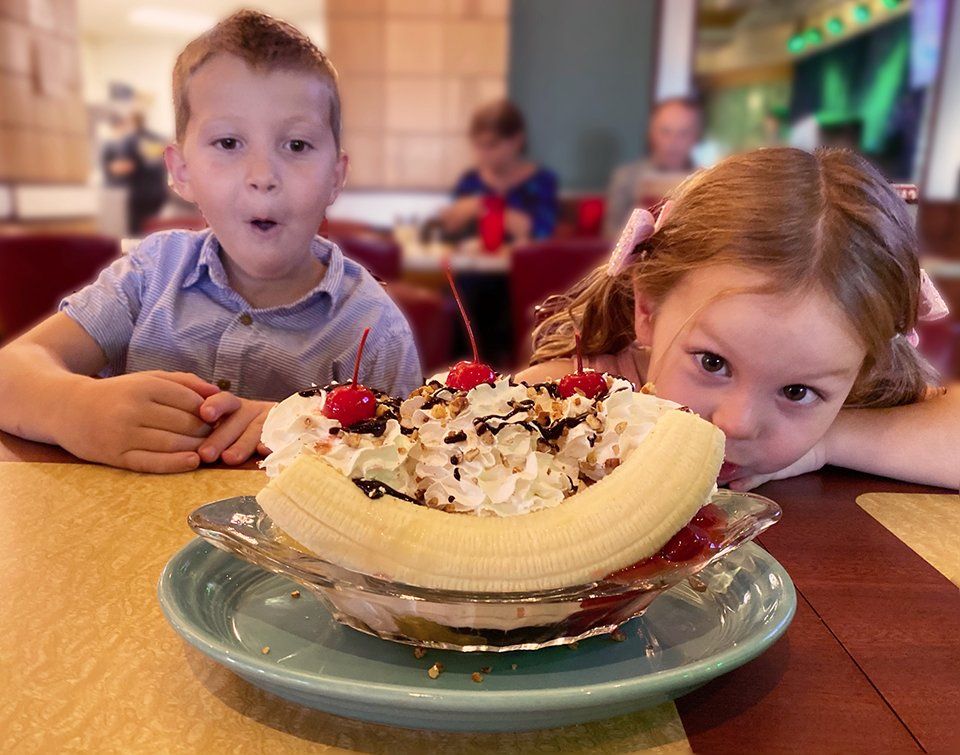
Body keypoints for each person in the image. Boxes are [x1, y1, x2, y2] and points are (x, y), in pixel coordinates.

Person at [0, 10, 421, 474]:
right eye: (227, 143)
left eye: (297, 145)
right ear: (182, 172)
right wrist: (74, 409)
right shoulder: (149, 275)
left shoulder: (374, 328)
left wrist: (300, 425)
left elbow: (408, 460)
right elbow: (11, 372)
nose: (262, 177)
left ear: (335, 178)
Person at [520, 147, 958, 491]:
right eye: (712, 363)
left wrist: (828, 440)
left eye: (797, 391)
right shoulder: (570, 393)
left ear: (861, 371)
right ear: (648, 310)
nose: (737, 424)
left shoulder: (842, 395)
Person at [440, 99, 558, 244]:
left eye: (492, 145)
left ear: (517, 140)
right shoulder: (469, 180)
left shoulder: (542, 181)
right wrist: (449, 222)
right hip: (474, 265)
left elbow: (541, 232)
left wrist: (480, 206)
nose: (483, 154)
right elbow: (450, 235)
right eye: (478, 145)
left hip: (522, 266)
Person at [604, 97, 702, 239]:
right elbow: (609, 236)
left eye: (683, 133)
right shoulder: (627, 177)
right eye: (665, 132)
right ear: (652, 133)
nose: (673, 142)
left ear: (695, 137)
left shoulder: (704, 180)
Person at [101, 107, 170, 234]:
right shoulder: (156, 138)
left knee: (136, 232)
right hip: (158, 193)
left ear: (132, 122)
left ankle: (141, 252)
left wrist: (111, 168)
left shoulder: (129, 140)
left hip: (139, 194)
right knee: (154, 228)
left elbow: (127, 166)